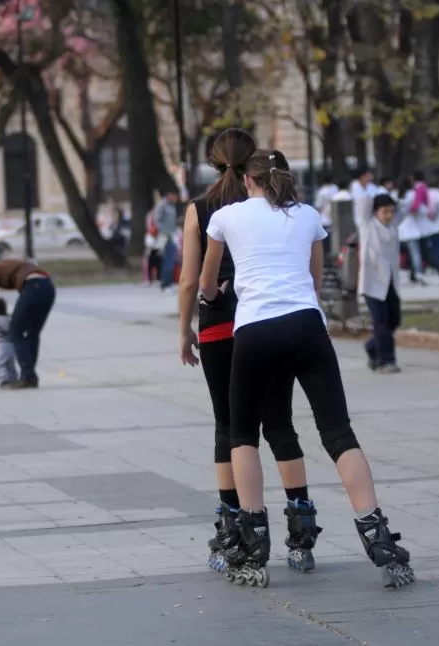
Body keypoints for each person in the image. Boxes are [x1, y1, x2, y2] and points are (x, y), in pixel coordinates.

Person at [199, 148, 414, 589]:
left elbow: (206, 284)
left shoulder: (226, 218)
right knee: (338, 432)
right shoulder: (311, 217)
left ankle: (254, 537)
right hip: (306, 327)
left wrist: (213, 293)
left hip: (255, 332)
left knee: (242, 434)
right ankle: (376, 534)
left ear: (248, 181)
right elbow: (314, 284)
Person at [178, 129, 315, 575]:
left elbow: (189, 277)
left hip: (220, 326)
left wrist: (184, 329)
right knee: (278, 422)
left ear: (213, 163)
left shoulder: (201, 210)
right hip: (269, 322)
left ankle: (234, 525)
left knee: (229, 427)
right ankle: (300, 528)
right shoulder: (273, 204)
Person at [0, 258, 55, 390]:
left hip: (33, 287)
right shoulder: (5, 265)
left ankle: (28, 376)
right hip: (48, 286)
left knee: (15, 331)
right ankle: (29, 376)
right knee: (33, 333)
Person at [358, 193, 405, 373]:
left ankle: (372, 346)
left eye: (391, 212)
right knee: (381, 322)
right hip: (372, 283)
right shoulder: (367, 225)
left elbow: (405, 208)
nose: (389, 215)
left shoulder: (393, 226)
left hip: (391, 282)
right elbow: (363, 202)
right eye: (385, 212)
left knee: (394, 319)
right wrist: (378, 190)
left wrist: (395, 197)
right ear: (375, 211)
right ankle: (386, 360)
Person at [397, 178, 425, 284]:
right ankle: (418, 274)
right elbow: (418, 209)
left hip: (400, 228)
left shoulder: (397, 195)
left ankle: (400, 273)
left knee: (398, 253)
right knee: (415, 253)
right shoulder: (413, 194)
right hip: (411, 227)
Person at [153, 189, 181, 291]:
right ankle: (165, 284)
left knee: (171, 259)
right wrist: (163, 231)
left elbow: (171, 221)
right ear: (169, 195)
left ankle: (168, 283)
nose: (176, 199)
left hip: (171, 235)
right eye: (175, 196)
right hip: (165, 236)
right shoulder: (162, 205)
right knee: (168, 260)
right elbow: (156, 220)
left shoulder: (171, 206)